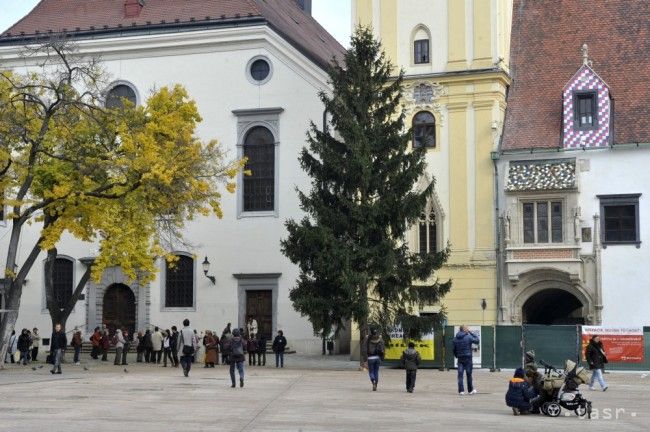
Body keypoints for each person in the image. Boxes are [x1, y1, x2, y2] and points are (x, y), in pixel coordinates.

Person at [453, 325, 479, 395]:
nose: (468, 329)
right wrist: (470, 332)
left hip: (460, 358)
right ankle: (470, 391)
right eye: (467, 328)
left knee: (460, 375)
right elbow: (477, 340)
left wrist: (457, 356)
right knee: (469, 374)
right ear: (464, 329)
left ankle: (461, 391)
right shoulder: (468, 336)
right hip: (468, 358)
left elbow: (454, 349)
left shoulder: (455, 338)